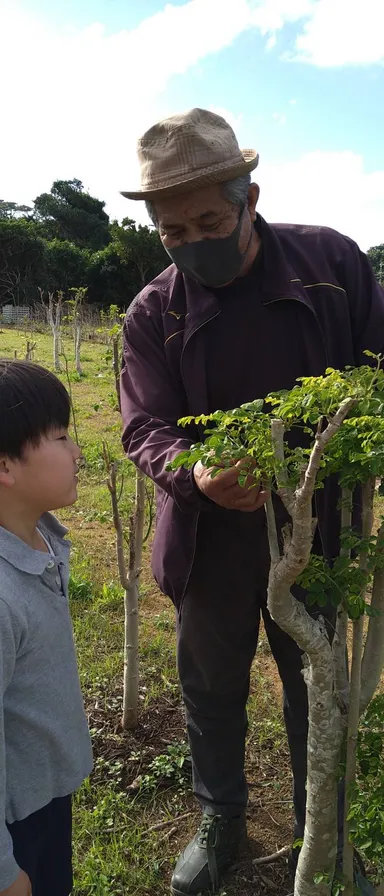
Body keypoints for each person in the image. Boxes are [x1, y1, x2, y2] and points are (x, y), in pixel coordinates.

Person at [119, 108, 384, 896]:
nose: (192, 239)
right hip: (208, 539)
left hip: (319, 529)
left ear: (250, 198)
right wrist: (193, 474)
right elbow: (143, 426)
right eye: (172, 230)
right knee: (210, 681)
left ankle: (322, 828)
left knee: (318, 681)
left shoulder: (332, 265)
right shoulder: (153, 312)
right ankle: (221, 815)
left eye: (208, 220)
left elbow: (376, 373)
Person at [0, 360, 93, 896]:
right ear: (6, 466)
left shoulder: (40, 542)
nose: (78, 452)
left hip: (44, 796)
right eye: (61, 437)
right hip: (16, 823)